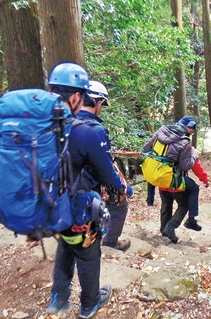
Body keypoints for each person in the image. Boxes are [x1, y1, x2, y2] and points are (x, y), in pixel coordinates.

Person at [47, 63, 127, 318]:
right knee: (88, 251)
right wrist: (126, 188)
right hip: (76, 205)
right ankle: (90, 303)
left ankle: (59, 298)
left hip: (49, 203)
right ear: (76, 97)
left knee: (66, 244)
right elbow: (108, 176)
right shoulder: (89, 131)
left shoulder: (45, 124)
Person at [78, 80, 132, 251]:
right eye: (102, 105)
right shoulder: (95, 129)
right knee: (119, 206)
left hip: (69, 183)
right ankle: (109, 242)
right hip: (89, 182)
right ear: (98, 102)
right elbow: (105, 169)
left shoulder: (68, 122)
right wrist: (123, 186)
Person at [143, 116, 208, 232]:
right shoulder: (185, 143)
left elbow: (146, 148)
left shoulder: (161, 131)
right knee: (185, 201)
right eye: (193, 130)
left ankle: (164, 229)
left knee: (166, 203)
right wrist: (194, 155)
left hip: (157, 177)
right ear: (190, 129)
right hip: (172, 180)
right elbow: (186, 166)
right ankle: (180, 224)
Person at [159, 158, 209, 242]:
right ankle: (170, 227)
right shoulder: (184, 147)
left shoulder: (160, 147)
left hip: (162, 183)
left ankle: (164, 230)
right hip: (176, 184)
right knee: (184, 205)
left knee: (166, 204)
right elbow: (195, 164)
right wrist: (205, 179)